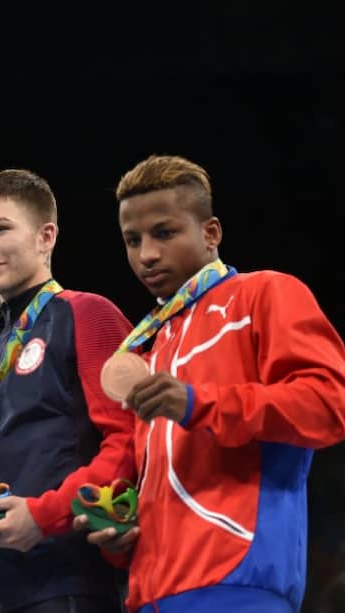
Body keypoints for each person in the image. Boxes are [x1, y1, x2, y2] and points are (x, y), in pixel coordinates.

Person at [76, 154, 345, 612]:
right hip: (149, 595)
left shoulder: (266, 294)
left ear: (211, 233)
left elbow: (327, 405)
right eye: (132, 240)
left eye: (164, 233)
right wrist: (121, 537)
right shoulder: (147, 345)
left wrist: (199, 403)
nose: (147, 255)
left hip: (238, 581)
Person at [0, 169, 136, 612]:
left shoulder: (87, 313)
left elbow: (130, 441)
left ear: (46, 237)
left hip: (66, 584)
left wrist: (46, 517)